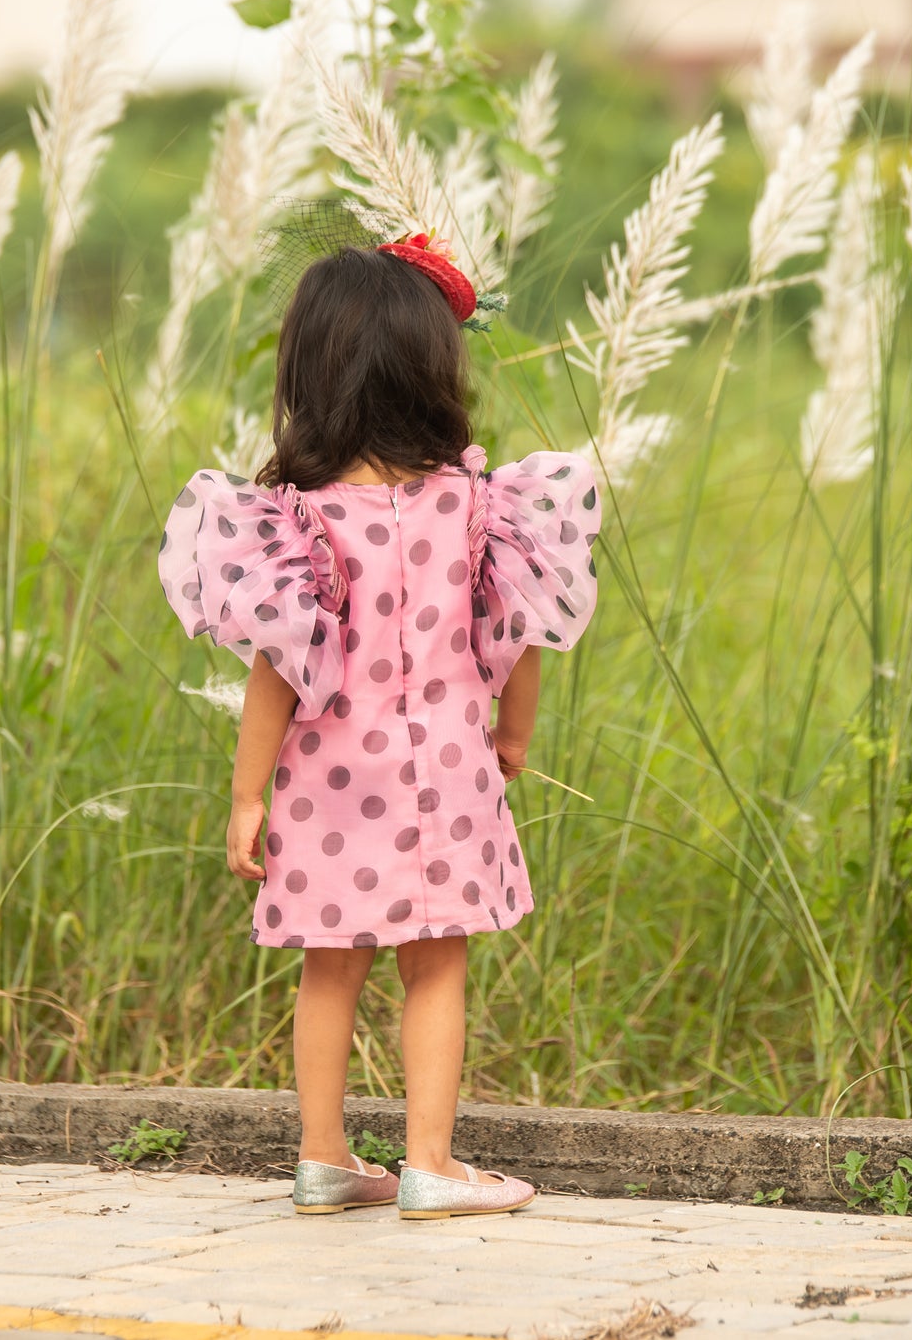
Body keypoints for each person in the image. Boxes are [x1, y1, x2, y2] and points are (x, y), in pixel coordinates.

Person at [158, 232, 601, 1220]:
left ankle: (322, 1157)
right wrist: (514, 739)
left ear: (307, 372)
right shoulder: (478, 505)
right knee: (435, 962)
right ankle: (430, 1160)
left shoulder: (296, 520)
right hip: (445, 768)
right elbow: (518, 635)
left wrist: (246, 794)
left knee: (331, 964)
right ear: (431, 372)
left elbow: (275, 671)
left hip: (327, 778)